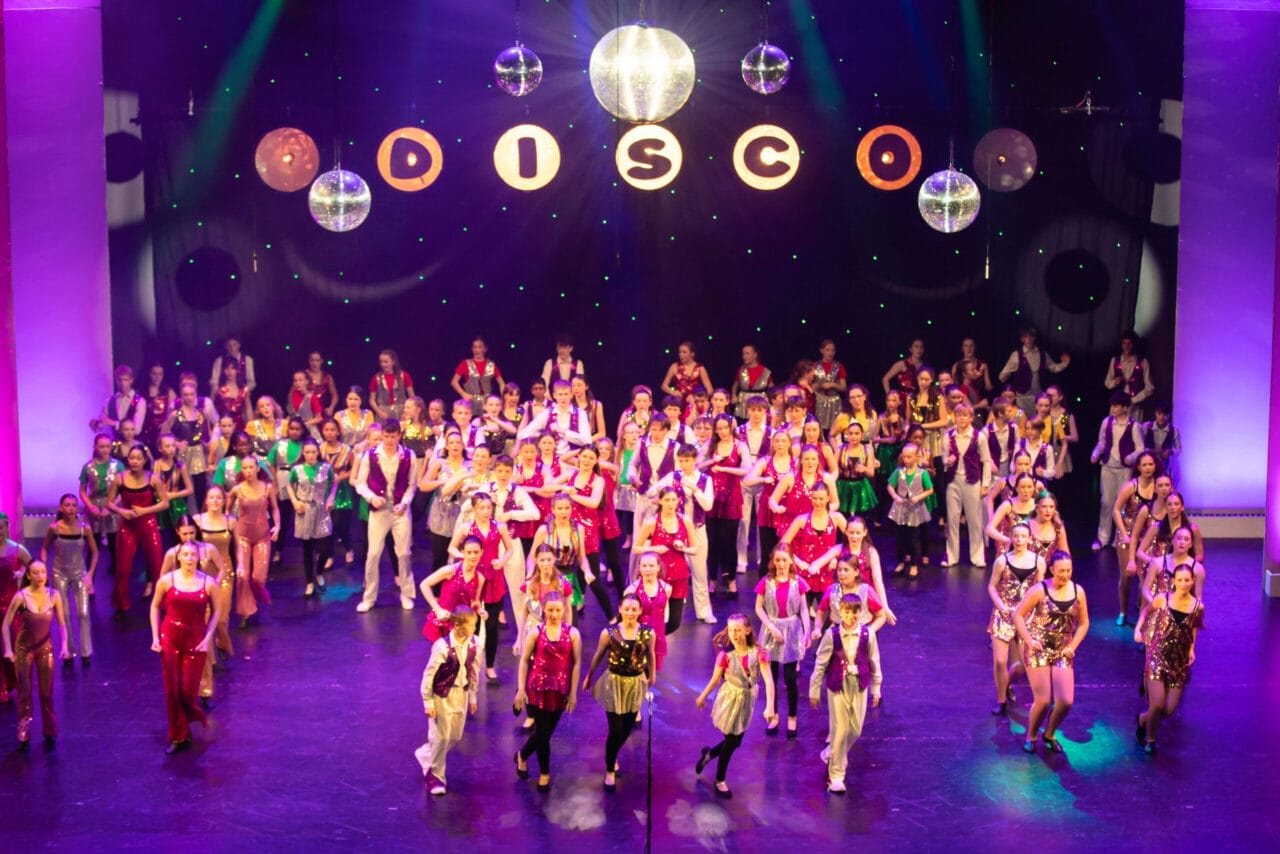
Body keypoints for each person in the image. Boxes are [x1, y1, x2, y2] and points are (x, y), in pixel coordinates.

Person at [149, 541, 222, 754]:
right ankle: (178, 735)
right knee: (172, 689)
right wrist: (155, 637)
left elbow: (217, 611)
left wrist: (208, 637)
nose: (190, 558)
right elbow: (154, 606)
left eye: (193, 554)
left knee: (188, 691)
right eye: (186, 554)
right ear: (179, 557)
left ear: (198, 557)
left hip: (195, 639)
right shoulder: (166, 581)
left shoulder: (209, 583)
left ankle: (189, 719)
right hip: (170, 637)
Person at [1014, 551, 1090, 754]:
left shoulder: (1078, 592)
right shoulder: (1040, 590)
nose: (1065, 575)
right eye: (1061, 571)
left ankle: (1049, 733)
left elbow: (1084, 623)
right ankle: (1031, 735)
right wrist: (1029, 641)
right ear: (1052, 570)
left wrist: (1073, 646)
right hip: (1038, 649)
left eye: (1068, 570)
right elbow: (1018, 615)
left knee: (1065, 701)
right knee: (1044, 700)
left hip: (1062, 651)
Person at [694, 614, 777, 800]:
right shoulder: (726, 656)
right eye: (731, 630)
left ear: (747, 630)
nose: (734, 634)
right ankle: (720, 780)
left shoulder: (759, 653)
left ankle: (709, 754)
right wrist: (703, 696)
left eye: (738, 630)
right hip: (731, 698)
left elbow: (768, 680)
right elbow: (715, 679)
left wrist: (770, 706)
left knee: (737, 741)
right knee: (732, 741)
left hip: (747, 699)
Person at [581, 593, 657, 793]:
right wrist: (589, 676)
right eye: (627, 609)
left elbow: (650, 654)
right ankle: (609, 770)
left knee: (627, 727)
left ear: (640, 611)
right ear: (620, 609)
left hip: (635, 683)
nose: (630, 612)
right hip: (614, 683)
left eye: (634, 609)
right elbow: (598, 655)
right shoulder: (609, 633)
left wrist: (652, 675)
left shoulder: (648, 633)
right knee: (615, 730)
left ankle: (612, 754)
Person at [809, 593, 882, 794]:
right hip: (837, 685)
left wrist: (876, 687)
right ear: (840, 612)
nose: (850, 616)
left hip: (859, 684)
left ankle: (830, 752)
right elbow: (821, 663)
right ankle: (836, 776)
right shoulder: (831, 634)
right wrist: (814, 688)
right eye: (847, 612)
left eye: (855, 612)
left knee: (855, 730)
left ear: (860, 612)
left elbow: (874, 661)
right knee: (839, 730)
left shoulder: (867, 634)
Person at [513, 590, 581, 793]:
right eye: (550, 610)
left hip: (560, 689)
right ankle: (544, 774)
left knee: (546, 732)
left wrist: (573, 693)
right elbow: (524, 661)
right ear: (543, 609)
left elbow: (577, 664)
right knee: (543, 733)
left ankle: (522, 755)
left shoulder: (573, 633)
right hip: (538, 688)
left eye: (558, 610)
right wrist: (521, 689)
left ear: (564, 609)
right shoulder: (536, 632)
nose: (554, 614)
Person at [2, 561, 70, 750]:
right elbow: (5, 625)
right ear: (29, 576)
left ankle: (49, 731)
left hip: (45, 648)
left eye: (43, 572)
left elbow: (62, 624)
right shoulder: (21, 597)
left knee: (46, 693)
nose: (40, 576)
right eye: (35, 573)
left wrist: (65, 645)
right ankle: (23, 733)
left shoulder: (54, 595)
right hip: (24, 649)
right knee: (25, 692)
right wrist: (8, 649)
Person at [353, 420, 419, 612]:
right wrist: (372, 498)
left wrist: (405, 502)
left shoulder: (409, 455)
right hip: (379, 511)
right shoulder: (370, 455)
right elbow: (360, 483)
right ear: (381, 435)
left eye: (393, 436)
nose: (389, 440)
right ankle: (369, 597)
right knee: (373, 554)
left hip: (400, 510)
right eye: (386, 436)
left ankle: (406, 593)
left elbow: (412, 485)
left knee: (404, 553)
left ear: (399, 435)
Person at [1136, 565, 1202, 754]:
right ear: (1173, 581)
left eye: (1187, 580)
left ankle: (1143, 719)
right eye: (1179, 580)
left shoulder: (1197, 607)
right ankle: (1151, 739)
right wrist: (1138, 628)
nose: (1183, 584)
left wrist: (1191, 649)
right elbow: (1146, 611)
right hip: (1157, 656)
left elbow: (1193, 628)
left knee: (1168, 710)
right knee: (1156, 704)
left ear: (1192, 581)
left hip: (1178, 661)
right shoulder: (1162, 599)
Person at [415, 605, 480, 796]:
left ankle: (426, 754)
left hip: (461, 694)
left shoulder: (474, 643)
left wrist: (473, 696)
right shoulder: (442, 646)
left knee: (455, 736)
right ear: (458, 625)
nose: (474, 629)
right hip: (442, 694)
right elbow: (429, 675)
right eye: (471, 625)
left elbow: (474, 670)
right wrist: (428, 701)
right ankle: (435, 777)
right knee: (441, 737)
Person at [447, 493, 512, 682]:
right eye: (481, 508)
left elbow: (510, 549)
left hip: (493, 577)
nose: (485, 511)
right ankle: (468, 665)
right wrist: (464, 557)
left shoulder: (499, 526)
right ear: (474, 509)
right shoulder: (467, 527)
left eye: (488, 507)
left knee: (491, 627)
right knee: (470, 623)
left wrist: (501, 560)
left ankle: (490, 666)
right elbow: (451, 547)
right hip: (472, 577)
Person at [651, 444, 716, 624]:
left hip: (697, 528)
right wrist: (655, 494)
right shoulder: (674, 476)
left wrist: (695, 489)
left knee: (700, 571)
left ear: (694, 460)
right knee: (670, 570)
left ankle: (704, 611)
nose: (684, 464)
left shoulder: (705, 480)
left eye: (687, 460)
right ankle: (666, 610)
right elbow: (655, 490)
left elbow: (708, 505)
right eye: (681, 461)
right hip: (675, 529)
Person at [986, 523, 1045, 715]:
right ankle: (1001, 700)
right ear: (1011, 538)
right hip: (1003, 614)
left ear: (1029, 539)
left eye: (1023, 536)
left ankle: (1006, 684)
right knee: (1000, 661)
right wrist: (1001, 606)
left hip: (1025, 616)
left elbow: (1039, 590)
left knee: (1025, 664)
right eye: (1016, 536)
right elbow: (992, 587)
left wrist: (1037, 614)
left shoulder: (1038, 562)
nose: (1019, 540)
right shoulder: (1002, 561)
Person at [754, 545, 810, 738]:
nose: (781, 564)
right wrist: (771, 626)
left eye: (784, 560)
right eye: (777, 560)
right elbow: (758, 608)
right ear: (773, 561)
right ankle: (774, 715)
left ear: (791, 561)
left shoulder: (798, 582)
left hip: (791, 632)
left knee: (790, 678)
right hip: (772, 632)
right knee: (771, 677)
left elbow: (803, 609)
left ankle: (792, 717)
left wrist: (807, 631)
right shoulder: (767, 582)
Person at [107, 446, 170, 615]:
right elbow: (109, 503)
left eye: (138, 458)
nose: (134, 461)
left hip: (148, 525)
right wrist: (121, 511)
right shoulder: (119, 478)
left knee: (156, 565)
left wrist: (145, 510)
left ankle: (163, 603)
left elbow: (165, 503)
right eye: (131, 458)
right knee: (123, 568)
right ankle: (121, 605)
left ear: (144, 460)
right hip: (128, 527)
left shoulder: (153, 479)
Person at [40, 495, 98, 666]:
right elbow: (45, 548)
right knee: (64, 614)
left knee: (83, 613)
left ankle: (86, 652)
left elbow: (95, 552)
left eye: (74, 505)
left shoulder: (84, 528)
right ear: (61, 508)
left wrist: (90, 574)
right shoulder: (54, 528)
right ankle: (69, 651)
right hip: (59, 573)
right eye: (67, 505)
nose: (71, 508)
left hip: (80, 573)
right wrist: (43, 567)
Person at [227, 456, 279, 627]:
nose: (248, 471)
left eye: (251, 467)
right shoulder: (237, 490)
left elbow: (275, 508)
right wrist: (228, 528)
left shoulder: (267, 488)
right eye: (245, 468)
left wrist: (277, 526)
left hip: (262, 536)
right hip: (242, 536)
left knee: (258, 578)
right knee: (242, 576)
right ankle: (246, 612)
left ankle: (259, 596)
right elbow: (227, 511)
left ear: (257, 468)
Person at [633, 487, 694, 634]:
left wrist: (683, 549)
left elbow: (694, 549)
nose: (671, 503)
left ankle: (652, 638)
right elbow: (636, 548)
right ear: (660, 501)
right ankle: (647, 641)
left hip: (679, 574)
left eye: (673, 500)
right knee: (652, 616)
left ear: (678, 501)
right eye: (667, 500)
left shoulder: (685, 521)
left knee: (674, 623)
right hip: (659, 576)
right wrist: (655, 548)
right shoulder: (652, 522)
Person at [1090, 391, 1145, 550]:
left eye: (1116, 406)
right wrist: (1095, 453)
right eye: (1112, 405)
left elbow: (1140, 448)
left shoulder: (1134, 425)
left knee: (1122, 503)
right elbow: (1101, 443)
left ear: (1125, 408)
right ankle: (1103, 537)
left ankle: (1119, 536)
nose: (1113, 409)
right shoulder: (1106, 422)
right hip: (1108, 466)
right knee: (1106, 502)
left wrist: (1131, 457)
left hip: (1124, 469)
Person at [1112, 451, 1161, 626]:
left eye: (1151, 464)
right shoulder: (1131, 486)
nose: (1148, 468)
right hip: (1128, 534)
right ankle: (1123, 611)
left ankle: (1142, 610)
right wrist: (1124, 534)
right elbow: (1116, 510)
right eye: (1144, 465)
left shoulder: (1158, 485)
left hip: (1147, 536)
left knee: (1147, 576)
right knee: (1127, 575)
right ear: (1138, 467)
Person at [942, 403, 992, 568]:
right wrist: (947, 461)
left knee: (974, 520)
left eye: (965, 415)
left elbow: (986, 461)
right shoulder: (948, 436)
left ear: (971, 418)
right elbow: (943, 459)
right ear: (954, 417)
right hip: (954, 482)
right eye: (959, 415)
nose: (962, 418)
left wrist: (985, 485)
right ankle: (952, 555)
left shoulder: (979, 437)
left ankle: (977, 556)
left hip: (972, 481)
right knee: (952, 520)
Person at [288, 438, 337, 598]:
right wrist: (295, 501)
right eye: (307, 452)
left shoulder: (325, 467)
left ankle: (319, 572)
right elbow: (289, 485)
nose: (310, 455)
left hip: (321, 510)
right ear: (303, 453)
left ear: (318, 452)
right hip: (304, 509)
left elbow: (334, 483)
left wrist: (331, 498)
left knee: (324, 548)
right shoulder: (297, 469)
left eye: (313, 452)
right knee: (307, 549)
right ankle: (309, 582)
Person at [194, 486, 236, 667]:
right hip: (203, 573)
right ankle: (209, 659)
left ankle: (221, 642)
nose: (215, 501)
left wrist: (242, 565)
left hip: (224, 571)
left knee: (221, 617)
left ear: (224, 501)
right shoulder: (197, 520)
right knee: (205, 617)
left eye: (219, 498)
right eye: (211, 497)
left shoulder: (230, 522)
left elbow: (239, 547)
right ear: (206, 500)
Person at [420, 536, 486, 643]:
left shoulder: (480, 578)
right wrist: (438, 610)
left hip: (461, 626)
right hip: (442, 623)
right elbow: (424, 585)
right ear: (463, 552)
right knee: (441, 653)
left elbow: (475, 602)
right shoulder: (451, 571)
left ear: (481, 552)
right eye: (469, 552)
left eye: (476, 552)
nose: (473, 556)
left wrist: (480, 610)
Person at [79, 433, 125, 577]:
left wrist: (111, 506)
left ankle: (118, 573)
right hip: (94, 506)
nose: (105, 449)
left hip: (113, 505)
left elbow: (123, 491)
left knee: (114, 542)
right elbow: (82, 491)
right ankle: (89, 575)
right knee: (94, 542)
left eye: (107, 446)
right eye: (101, 447)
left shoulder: (118, 466)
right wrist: (90, 506)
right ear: (95, 447)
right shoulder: (88, 467)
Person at [998, 327, 1070, 416]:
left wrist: (1064, 363)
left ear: (1034, 337)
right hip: (1022, 398)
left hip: (1038, 396)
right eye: (1026, 337)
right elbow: (1003, 375)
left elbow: (1053, 368)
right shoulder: (1017, 355)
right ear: (1022, 339)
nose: (1029, 340)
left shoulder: (1042, 354)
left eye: (1031, 336)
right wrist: (1004, 376)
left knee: (1037, 420)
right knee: (1021, 419)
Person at [886, 443, 934, 577]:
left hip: (915, 509)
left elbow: (930, 490)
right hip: (900, 508)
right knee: (900, 538)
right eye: (904, 457)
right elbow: (890, 486)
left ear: (917, 457)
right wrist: (895, 496)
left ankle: (914, 565)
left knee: (912, 538)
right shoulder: (899, 472)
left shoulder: (922, 473)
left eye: (909, 457)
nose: (906, 459)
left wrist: (918, 497)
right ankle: (901, 562)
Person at [1105, 330, 1155, 420]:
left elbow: (1150, 387)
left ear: (1134, 344)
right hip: (1118, 405)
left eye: (1129, 343)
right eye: (1124, 343)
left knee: (1133, 427)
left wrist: (1134, 399)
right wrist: (1115, 382)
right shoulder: (1115, 361)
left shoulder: (1143, 362)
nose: (1127, 347)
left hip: (1135, 407)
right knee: (1115, 427)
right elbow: (1107, 383)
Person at [452, 336, 505, 410]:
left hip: (488, 404)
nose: (477, 350)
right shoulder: (465, 363)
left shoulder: (491, 365)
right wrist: (463, 393)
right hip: (471, 403)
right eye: (474, 347)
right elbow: (454, 382)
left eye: (480, 347)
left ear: (485, 349)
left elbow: (502, 383)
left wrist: (502, 399)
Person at [91, 364, 145, 435]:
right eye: (120, 380)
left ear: (131, 380)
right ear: (116, 380)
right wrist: (96, 425)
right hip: (115, 441)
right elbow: (103, 423)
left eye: (125, 380)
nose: (122, 383)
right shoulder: (110, 401)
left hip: (133, 442)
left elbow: (137, 430)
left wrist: (113, 423)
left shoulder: (139, 401)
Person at [661, 340, 714, 407]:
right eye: (680, 352)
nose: (681, 354)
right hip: (678, 404)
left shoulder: (700, 368)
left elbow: (710, 390)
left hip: (694, 404)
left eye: (684, 352)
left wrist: (697, 397)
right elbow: (664, 386)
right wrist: (673, 392)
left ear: (692, 354)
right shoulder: (675, 366)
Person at [369, 349, 415, 422]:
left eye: (386, 362)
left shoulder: (404, 376)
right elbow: (372, 400)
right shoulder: (376, 378)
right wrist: (379, 412)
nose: (383, 364)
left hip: (402, 412)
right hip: (383, 413)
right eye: (381, 362)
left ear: (393, 362)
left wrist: (409, 411)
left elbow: (412, 397)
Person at [813, 339, 849, 432]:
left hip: (834, 401)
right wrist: (819, 386)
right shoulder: (815, 366)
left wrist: (833, 385)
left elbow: (844, 387)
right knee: (818, 428)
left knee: (834, 428)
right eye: (828, 350)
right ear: (822, 351)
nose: (830, 353)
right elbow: (810, 386)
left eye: (833, 350)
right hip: (819, 401)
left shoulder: (839, 366)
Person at [731, 344, 773, 419]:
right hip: (743, 402)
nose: (744, 356)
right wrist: (734, 396)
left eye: (747, 354)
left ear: (755, 355)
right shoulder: (741, 370)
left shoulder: (765, 371)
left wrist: (769, 398)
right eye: (743, 354)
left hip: (759, 401)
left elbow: (772, 388)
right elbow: (735, 385)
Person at [1143, 401, 1181, 482]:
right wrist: (1151, 450)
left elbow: (1179, 449)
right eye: (1159, 414)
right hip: (1147, 464)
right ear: (1155, 413)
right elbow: (1140, 447)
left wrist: (1169, 451)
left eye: (1165, 414)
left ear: (1169, 415)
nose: (1162, 417)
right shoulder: (1147, 427)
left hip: (1164, 466)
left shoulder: (1173, 429)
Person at [304, 350, 339, 417]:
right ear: (309, 361)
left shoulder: (327, 376)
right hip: (307, 412)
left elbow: (334, 395)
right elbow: (292, 393)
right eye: (312, 360)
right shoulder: (303, 375)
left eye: (317, 360)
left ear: (321, 361)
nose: (314, 363)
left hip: (323, 412)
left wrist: (331, 407)